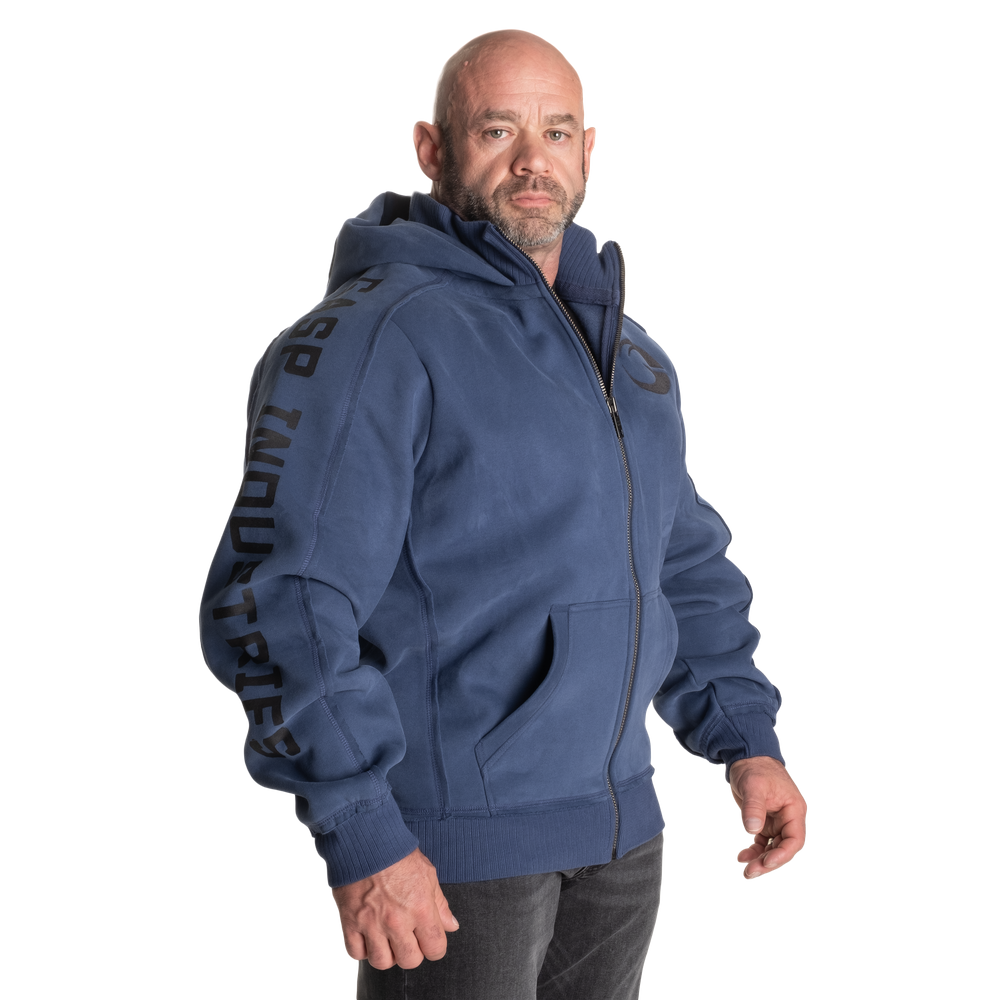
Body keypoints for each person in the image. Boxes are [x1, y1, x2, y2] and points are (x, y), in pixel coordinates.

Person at [198, 26, 808, 999]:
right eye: (496, 130)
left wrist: (747, 739)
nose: (533, 160)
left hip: (622, 844)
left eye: (556, 131)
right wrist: (360, 831)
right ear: (430, 148)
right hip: (454, 856)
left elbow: (678, 562)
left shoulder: (632, 354)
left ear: (589, 150)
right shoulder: (371, 338)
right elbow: (280, 599)